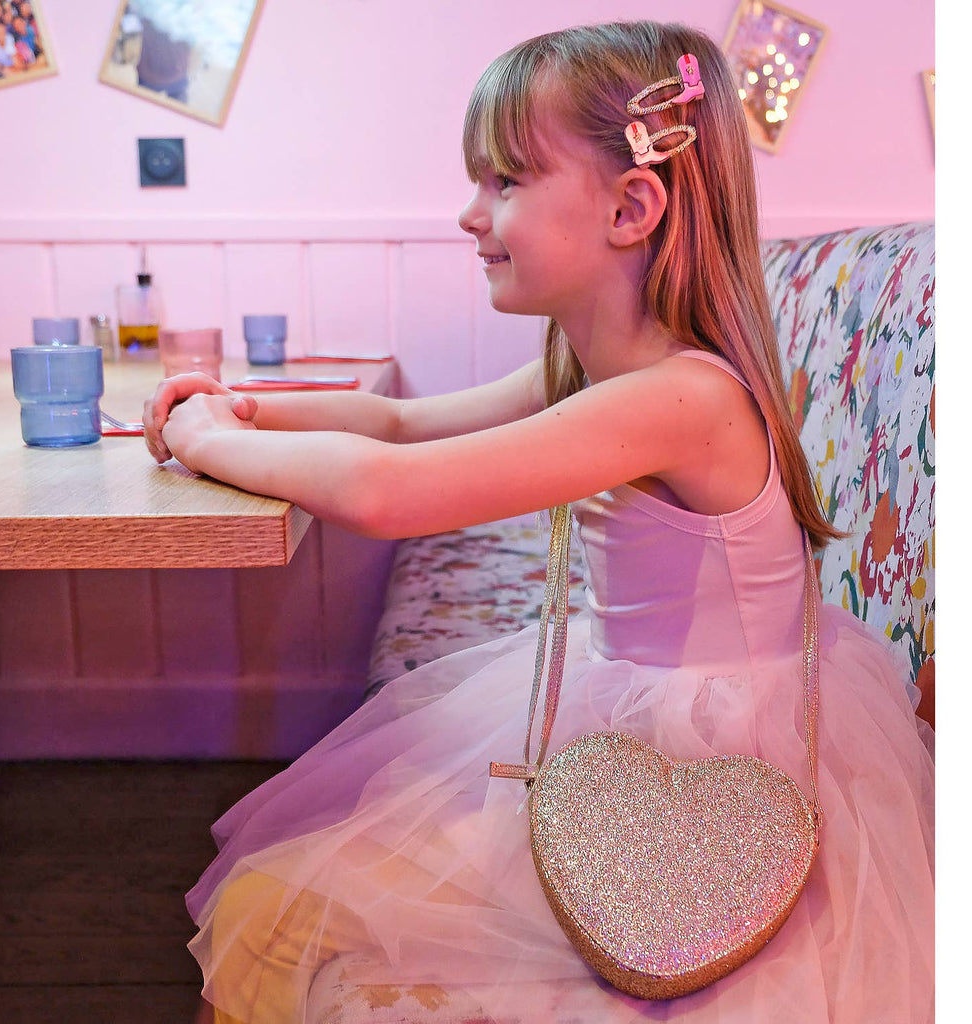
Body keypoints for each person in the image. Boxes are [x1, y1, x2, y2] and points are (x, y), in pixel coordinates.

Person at [143, 20, 934, 1024]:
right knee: (282, 909)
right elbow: (394, 420)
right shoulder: (594, 360)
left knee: (281, 919)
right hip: (636, 709)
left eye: (504, 182)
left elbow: (388, 492)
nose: (469, 216)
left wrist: (208, 443)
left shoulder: (677, 398)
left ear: (630, 206)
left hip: (715, 763)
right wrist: (238, 405)